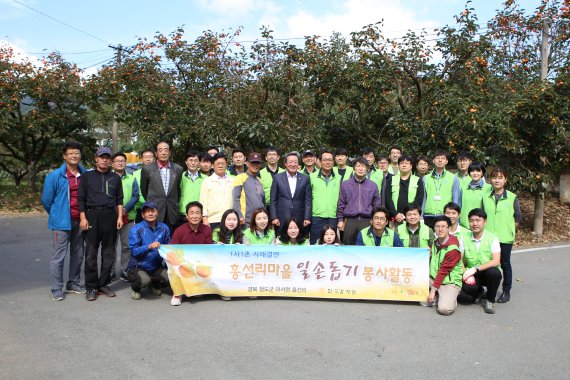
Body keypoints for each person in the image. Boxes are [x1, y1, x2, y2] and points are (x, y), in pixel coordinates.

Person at [41, 141, 87, 300]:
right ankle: (56, 288)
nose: (74, 156)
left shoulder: (85, 174)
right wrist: (56, 215)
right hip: (61, 223)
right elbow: (47, 200)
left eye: (77, 153)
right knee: (59, 256)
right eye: (71, 153)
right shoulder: (55, 176)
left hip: (80, 221)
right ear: (64, 156)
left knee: (78, 254)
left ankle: (73, 283)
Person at [78, 147, 124, 301]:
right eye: (101, 157)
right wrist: (83, 218)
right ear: (95, 158)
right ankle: (91, 287)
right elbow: (81, 199)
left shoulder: (115, 178)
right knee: (91, 253)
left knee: (109, 254)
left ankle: (103, 284)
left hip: (110, 216)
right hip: (92, 216)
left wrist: (119, 217)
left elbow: (119, 200)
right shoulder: (87, 177)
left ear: (110, 160)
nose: (104, 160)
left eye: (107, 157)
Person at [482, 167, 521, 304]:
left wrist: (510, 230)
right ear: (490, 180)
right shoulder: (486, 197)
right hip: (489, 237)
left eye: (500, 177)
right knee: (489, 263)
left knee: (504, 263)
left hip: (505, 237)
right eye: (494, 177)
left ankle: (506, 290)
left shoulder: (512, 197)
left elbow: (518, 217)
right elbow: (483, 216)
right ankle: (488, 289)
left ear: (505, 180)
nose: (497, 180)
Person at [170, 201, 214, 306]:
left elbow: (210, 250)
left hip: (201, 262)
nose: (195, 216)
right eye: (192, 213)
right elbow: (173, 251)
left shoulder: (207, 230)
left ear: (201, 215)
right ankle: (177, 293)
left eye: (198, 213)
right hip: (184, 263)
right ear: (187, 216)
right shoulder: (179, 231)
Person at [461, 208, 502, 314]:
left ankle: (490, 299)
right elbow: (459, 259)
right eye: (471, 220)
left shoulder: (493, 238)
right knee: (465, 296)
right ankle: (480, 292)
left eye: (478, 220)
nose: (474, 223)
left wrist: (475, 269)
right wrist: (465, 272)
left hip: (487, 272)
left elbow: (496, 261)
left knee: (494, 273)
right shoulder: (464, 237)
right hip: (472, 274)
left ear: (485, 222)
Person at [127, 201, 170, 300]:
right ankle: (136, 288)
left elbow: (169, 246)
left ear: (157, 213)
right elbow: (134, 251)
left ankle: (154, 283)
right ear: (142, 215)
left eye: (153, 211)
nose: (150, 214)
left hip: (156, 266)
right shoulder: (136, 229)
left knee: (171, 278)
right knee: (144, 281)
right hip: (138, 266)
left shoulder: (164, 228)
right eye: (147, 212)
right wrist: (148, 247)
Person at [423, 215, 463, 316]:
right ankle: (439, 295)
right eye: (437, 226)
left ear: (449, 228)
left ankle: (448, 297)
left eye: (443, 227)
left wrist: (433, 290)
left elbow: (443, 271)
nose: (440, 229)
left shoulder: (453, 249)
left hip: (449, 282)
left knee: (444, 310)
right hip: (433, 278)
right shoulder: (435, 242)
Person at [140, 141, 183, 233]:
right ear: (156, 153)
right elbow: (144, 190)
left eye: (166, 150)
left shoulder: (178, 169)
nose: (163, 152)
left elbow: (178, 190)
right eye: (160, 150)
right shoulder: (147, 170)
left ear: (170, 152)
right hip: (155, 211)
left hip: (172, 212)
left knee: (171, 243)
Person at [337, 157, 381, 245]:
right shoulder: (345, 184)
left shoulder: (373, 185)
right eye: (358, 166)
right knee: (348, 246)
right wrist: (340, 220)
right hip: (350, 220)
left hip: (367, 220)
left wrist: (374, 219)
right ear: (354, 168)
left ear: (367, 168)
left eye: (363, 166)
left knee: (367, 246)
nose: (360, 169)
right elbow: (341, 203)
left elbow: (377, 205)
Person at [111, 152, 140, 282]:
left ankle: (125, 270)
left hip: (128, 217)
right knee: (110, 246)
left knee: (127, 246)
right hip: (111, 216)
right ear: (113, 163)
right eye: (117, 161)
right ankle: (110, 271)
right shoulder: (108, 178)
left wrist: (125, 209)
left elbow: (135, 196)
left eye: (122, 160)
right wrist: (116, 209)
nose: (120, 163)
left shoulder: (131, 178)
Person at [270, 152, 312, 234]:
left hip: (299, 217)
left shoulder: (305, 178)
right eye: (290, 162)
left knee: (299, 241)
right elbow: (273, 200)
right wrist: (274, 217)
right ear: (285, 163)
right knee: (281, 241)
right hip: (282, 217)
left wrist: (307, 217)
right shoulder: (277, 178)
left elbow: (308, 200)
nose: (293, 164)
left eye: (295, 162)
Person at [421, 150, 462, 228]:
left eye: (442, 158)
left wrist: (456, 219)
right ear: (433, 161)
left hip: (445, 216)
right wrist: (421, 216)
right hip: (428, 216)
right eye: (437, 158)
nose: (440, 160)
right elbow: (423, 198)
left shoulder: (453, 178)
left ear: (446, 161)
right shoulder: (425, 178)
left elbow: (456, 199)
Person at [309, 149, 341, 244]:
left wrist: (340, 218)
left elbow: (341, 199)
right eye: (325, 159)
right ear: (319, 161)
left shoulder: (338, 178)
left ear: (333, 161)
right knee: (316, 244)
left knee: (332, 246)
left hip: (332, 217)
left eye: (330, 160)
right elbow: (307, 199)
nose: (327, 162)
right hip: (316, 217)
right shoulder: (312, 177)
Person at [199, 153, 235, 230]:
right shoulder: (207, 181)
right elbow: (203, 202)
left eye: (223, 163)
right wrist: (204, 219)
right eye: (218, 163)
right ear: (212, 165)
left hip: (230, 219)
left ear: (227, 165)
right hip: (213, 220)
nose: (220, 166)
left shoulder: (233, 180)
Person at [385, 155, 424, 224]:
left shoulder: (417, 180)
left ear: (411, 166)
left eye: (406, 163)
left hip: (411, 218)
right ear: (398, 166)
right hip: (394, 217)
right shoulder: (391, 179)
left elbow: (419, 199)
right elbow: (388, 198)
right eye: (401, 163)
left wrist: (410, 214)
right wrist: (395, 214)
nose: (404, 165)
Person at [233, 152, 265, 227]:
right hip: (246, 220)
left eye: (258, 163)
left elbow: (262, 201)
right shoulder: (240, 178)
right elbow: (235, 198)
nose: (255, 166)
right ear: (247, 163)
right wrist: (239, 215)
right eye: (253, 163)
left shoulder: (259, 180)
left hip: (259, 220)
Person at [459, 161, 492, 228]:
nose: (475, 173)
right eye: (472, 171)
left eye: (478, 171)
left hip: (480, 226)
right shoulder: (463, 188)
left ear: (482, 173)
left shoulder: (489, 188)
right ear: (469, 173)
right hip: (464, 225)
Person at [179, 150, 205, 220]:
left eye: (196, 160)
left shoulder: (206, 179)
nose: (193, 163)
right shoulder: (180, 177)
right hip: (183, 215)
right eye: (190, 160)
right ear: (186, 162)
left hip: (200, 215)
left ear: (199, 163)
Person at [132, 148, 155, 223]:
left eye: (150, 157)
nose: (148, 159)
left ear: (154, 158)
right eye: (145, 157)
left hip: (155, 208)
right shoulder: (135, 174)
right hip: (140, 208)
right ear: (141, 159)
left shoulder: (159, 173)